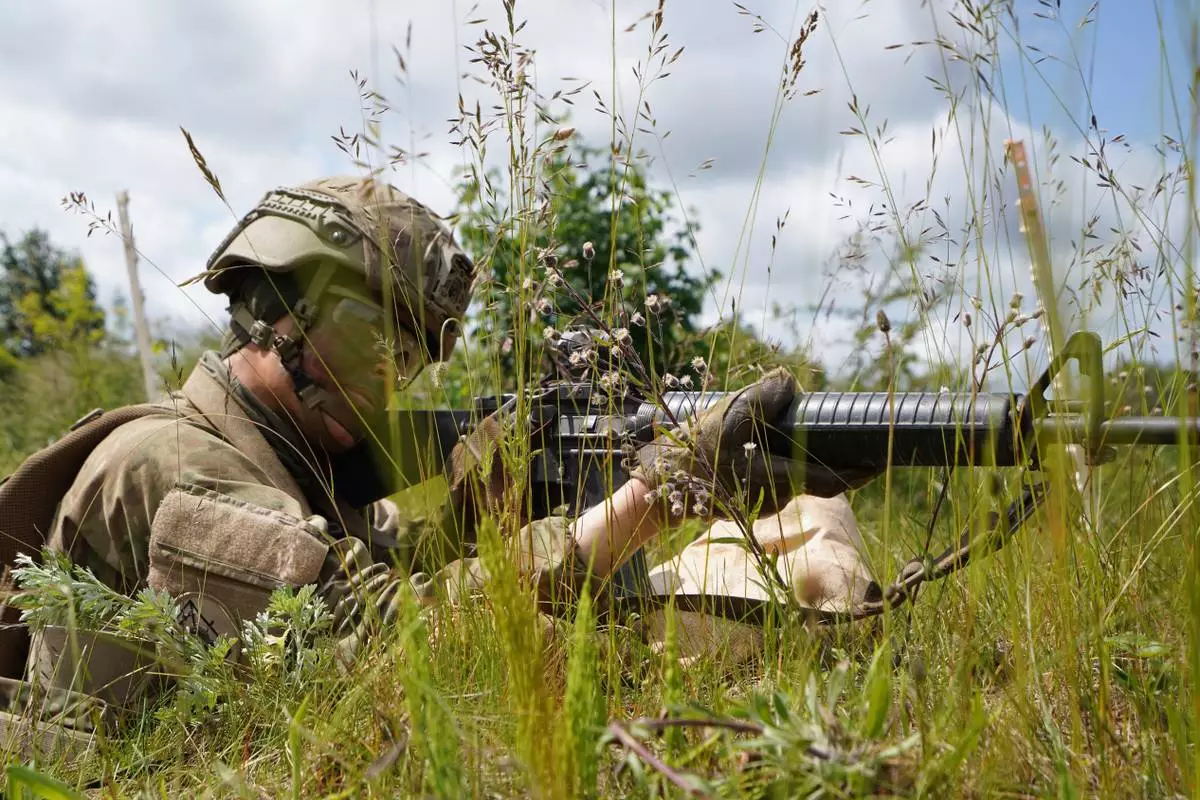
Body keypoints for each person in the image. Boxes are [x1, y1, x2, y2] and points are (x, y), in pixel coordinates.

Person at [0, 174, 875, 757]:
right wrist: (648, 500)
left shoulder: (283, 464)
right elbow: (383, 646)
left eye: (410, 360)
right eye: (375, 339)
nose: (389, 384)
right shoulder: (179, 465)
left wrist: (481, 504)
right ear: (279, 308)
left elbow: (373, 565)